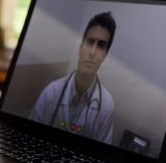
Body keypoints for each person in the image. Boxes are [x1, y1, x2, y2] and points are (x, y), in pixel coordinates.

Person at [30, 12, 116, 143]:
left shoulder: (106, 104)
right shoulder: (51, 92)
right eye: (90, 42)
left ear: (105, 55)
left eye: (101, 45)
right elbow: (30, 136)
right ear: (81, 48)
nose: (92, 52)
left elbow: (104, 154)